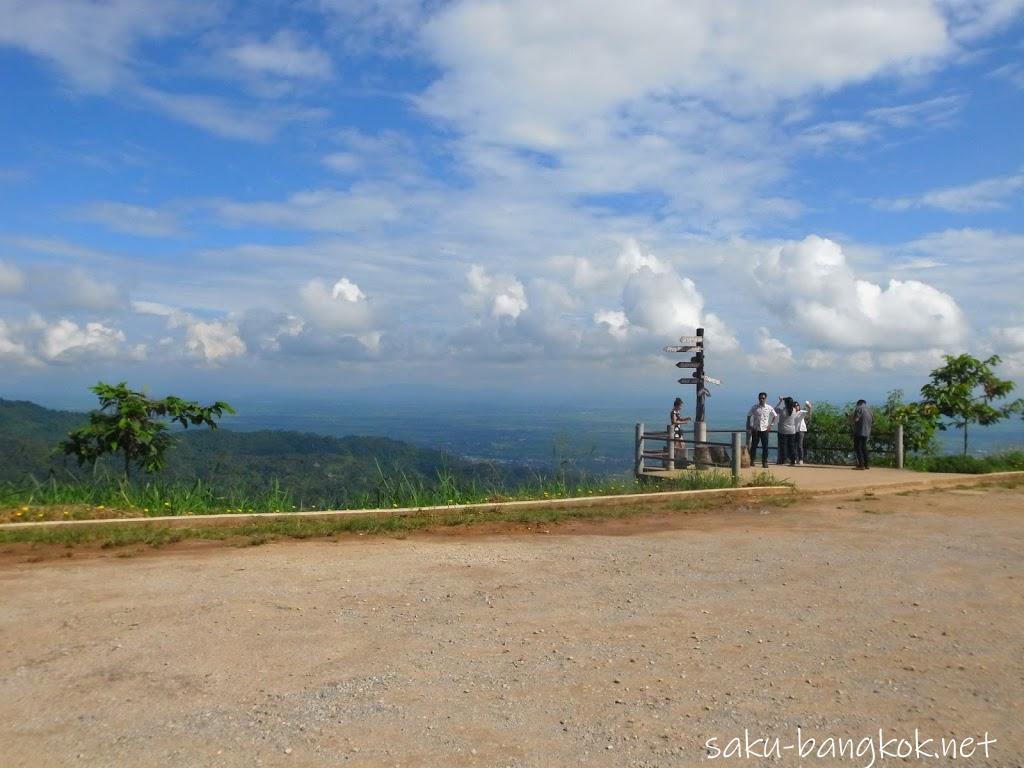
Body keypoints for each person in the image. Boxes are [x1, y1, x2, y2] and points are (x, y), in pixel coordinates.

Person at [746, 392, 776, 468]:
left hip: (765, 430)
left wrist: (771, 425)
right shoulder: (754, 407)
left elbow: (775, 416)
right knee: (754, 446)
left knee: (765, 447)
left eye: (763, 398)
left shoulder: (769, 407)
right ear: (758, 398)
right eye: (760, 398)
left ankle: (764, 462)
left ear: (766, 399)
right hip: (756, 429)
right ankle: (752, 460)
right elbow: (749, 415)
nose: (761, 399)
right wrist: (750, 425)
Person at [774, 396, 799, 466]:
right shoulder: (794, 410)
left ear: (785, 403)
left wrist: (780, 401)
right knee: (792, 446)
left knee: (783, 446)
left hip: (783, 430)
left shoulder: (782, 410)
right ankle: (793, 460)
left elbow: (775, 409)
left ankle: (783, 460)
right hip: (792, 431)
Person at [670, 397, 691, 468]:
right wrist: (684, 422)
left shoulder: (677, 412)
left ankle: (681, 460)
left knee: (681, 444)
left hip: (678, 430)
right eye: (680, 406)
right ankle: (678, 460)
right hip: (675, 430)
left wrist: (686, 418)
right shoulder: (673, 412)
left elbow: (680, 419)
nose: (681, 407)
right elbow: (674, 421)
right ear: (677, 406)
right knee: (677, 445)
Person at [852, 399, 873, 469]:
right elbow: (873, 421)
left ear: (859, 403)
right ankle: (866, 465)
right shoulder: (870, 410)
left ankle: (861, 465)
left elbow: (856, 419)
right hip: (867, 432)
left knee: (858, 448)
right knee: (864, 448)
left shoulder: (859, 408)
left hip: (859, 431)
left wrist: (850, 419)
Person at [795, 400, 812, 465]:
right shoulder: (792, 413)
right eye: (795, 406)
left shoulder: (801, 412)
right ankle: (795, 459)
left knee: (799, 445)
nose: (797, 407)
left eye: (797, 406)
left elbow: (809, 413)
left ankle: (800, 459)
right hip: (794, 431)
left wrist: (809, 407)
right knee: (794, 446)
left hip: (801, 430)